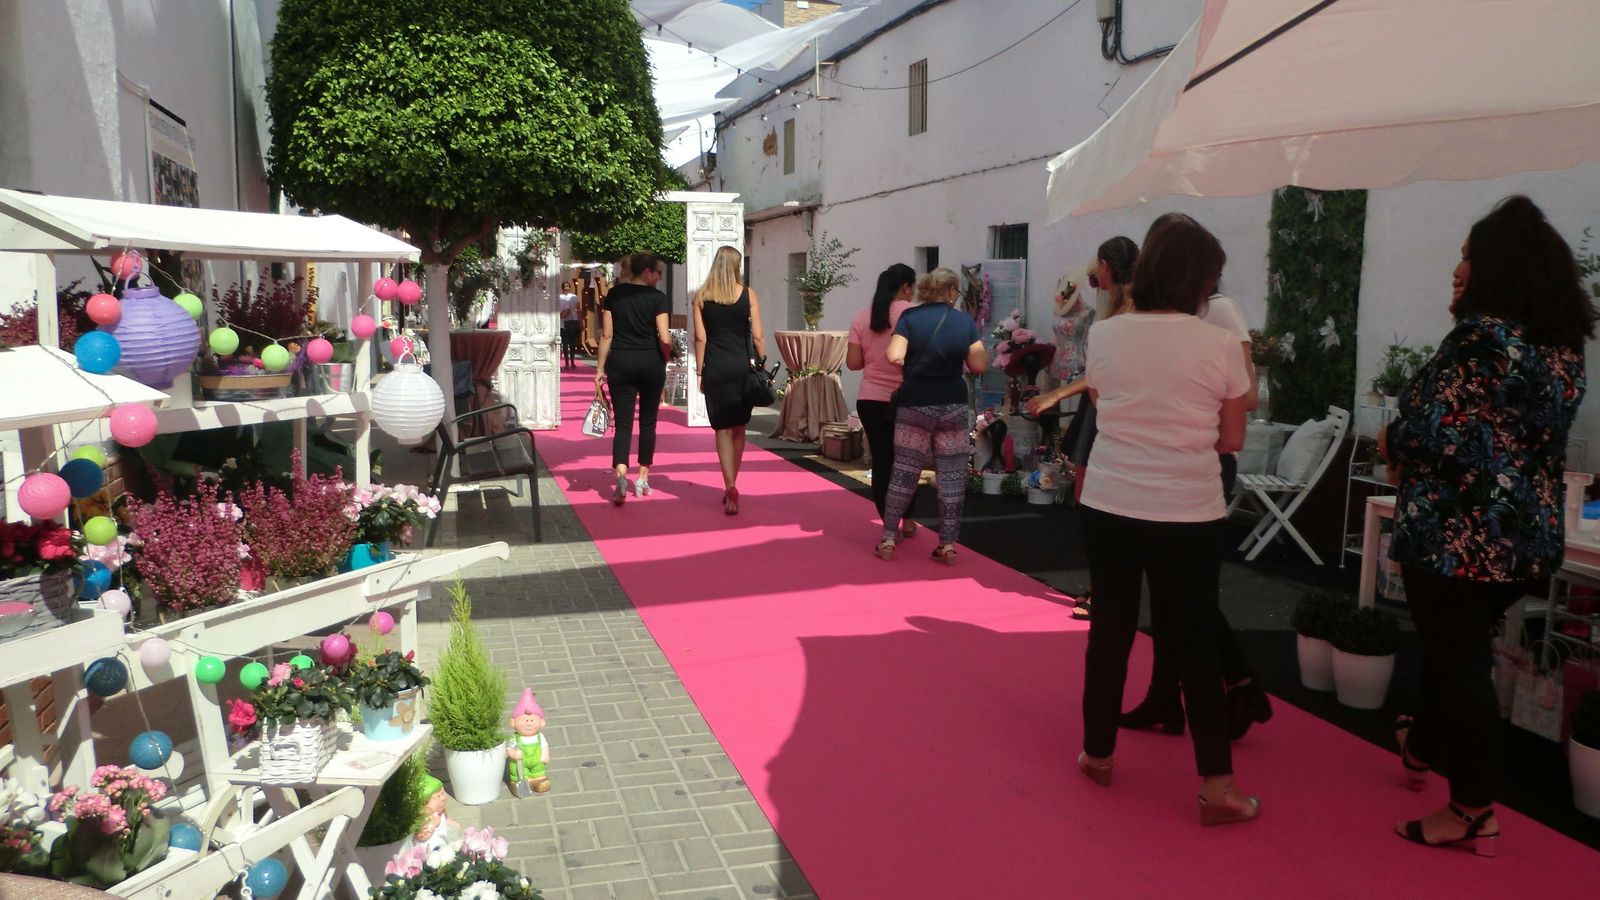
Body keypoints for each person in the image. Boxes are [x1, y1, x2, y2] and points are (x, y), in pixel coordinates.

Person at [1381, 195, 1593, 853]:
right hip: (1525, 540)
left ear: (1495, 268)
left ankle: (1472, 809)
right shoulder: (1560, 350)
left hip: (1457, 538)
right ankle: (1420, 748)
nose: (1457, 267)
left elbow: (1423, 428)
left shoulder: (1480, 340)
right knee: (1461, 647)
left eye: (1469, 255)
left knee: (1459, 659)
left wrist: (1393, 441)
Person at [1074, 215, 1257, 826]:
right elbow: (1231, 439)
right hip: (1187, 508)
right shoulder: (1221, 345)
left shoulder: (1106, 336)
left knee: (1111, 631)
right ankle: (1216, 784)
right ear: (1201, 279)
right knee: (1195, 638)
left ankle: (1097, 753)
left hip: (1110, 500)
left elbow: (1104, 405)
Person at [1118, 231, 1273, 741]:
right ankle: (1168, 697)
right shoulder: (1163, 318)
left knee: (1185, 594)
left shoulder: (1220, 313)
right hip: (1166, 462)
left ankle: (1240, 684)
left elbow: (1246, 397)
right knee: (1167, 594)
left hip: (1202, 460)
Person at [1027, 236, 1140, 619]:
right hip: (1100, 406)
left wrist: (1056, 397)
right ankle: (1103, 585)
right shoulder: (1116, 306)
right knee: (1090, 500)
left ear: (1107, 265)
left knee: (1098, 503)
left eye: (1098, 266)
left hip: (1110, 411)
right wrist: (1056, 397)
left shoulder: (1129, 309)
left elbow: (1103, 373)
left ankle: (1106, 588)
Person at [874, 267, 987, 564]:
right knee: (951, 475)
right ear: (950, 291)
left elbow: (894, 355)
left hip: (915, 403)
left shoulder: (910, 318)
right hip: (952, 403)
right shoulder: (963, 322)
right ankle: (947, 545)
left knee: (904, 472)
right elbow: (979, 365)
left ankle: (887, 539)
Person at [847, 263, 921, 536]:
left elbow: (853, 363)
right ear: (906, 287)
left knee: (882, 461)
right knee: (908, 461)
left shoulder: (862, 317)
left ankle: (890, 525)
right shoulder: (913, 314)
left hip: (870, 398)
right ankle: (909, 519)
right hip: (906, 397)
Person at [693, 245, 766, 515]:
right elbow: (757, 336)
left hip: (716, 368)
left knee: (722, 429)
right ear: (737, 266)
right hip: (742, 369)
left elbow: (700, 338)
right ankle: (734, 482)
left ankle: (730, 484)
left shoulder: (702, 297)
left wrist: (700, 371)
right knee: (739, 427)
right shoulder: (748, 295)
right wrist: (763, 363)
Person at [595, 253, 671, 505]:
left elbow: (606, 335)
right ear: (647, 272)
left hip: (621, 364)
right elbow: (665, 337)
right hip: (651, 364)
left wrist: (600, 369)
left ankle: (620, 477)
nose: (660, 277)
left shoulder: (615, 295)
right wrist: (665, 357)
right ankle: (643, 478)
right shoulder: (658, 299)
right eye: (658, 272)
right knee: (648, 423)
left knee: (624, 424)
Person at [559, 280, 580, 369]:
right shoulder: (559, 297)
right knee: (565, 343)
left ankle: (572, 361)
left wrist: (580, 320)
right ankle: (567, 362)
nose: (566, 288)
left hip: (573, 320)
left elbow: (578, 309)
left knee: (572, 343)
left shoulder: (574, 297)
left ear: (569, 287)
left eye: (567, 286)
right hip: (563, 322)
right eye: (564, 286)